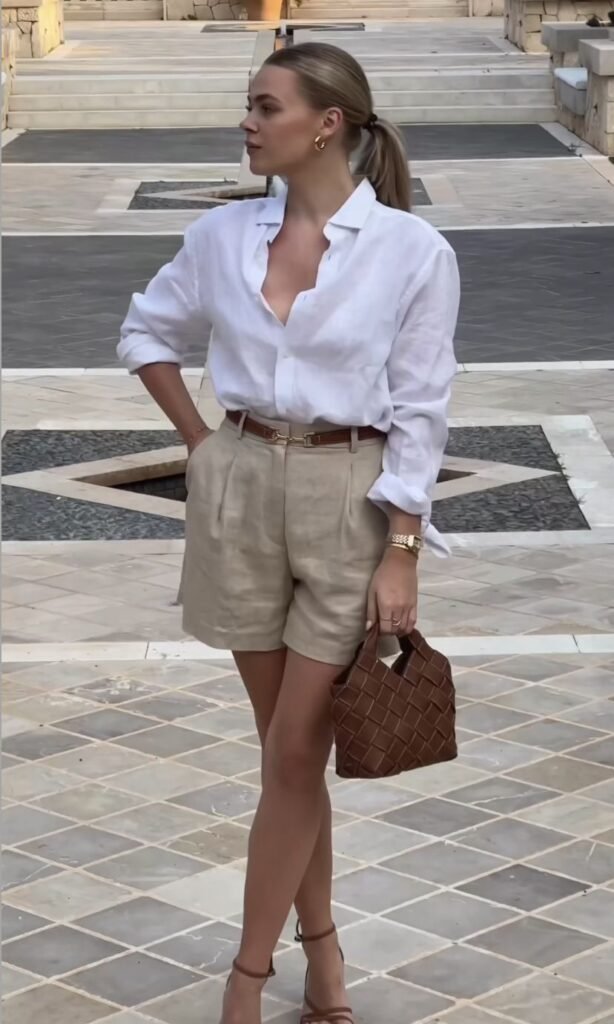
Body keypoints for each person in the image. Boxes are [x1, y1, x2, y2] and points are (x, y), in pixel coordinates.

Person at [118, 40, 459, 1024]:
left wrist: (402, 549)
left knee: (294, 748)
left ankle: (247, 980)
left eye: (266, 106)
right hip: (240, 488)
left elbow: (421, 410)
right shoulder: (222, 236)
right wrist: (202, 446)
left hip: (351, 496)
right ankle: (325, 953)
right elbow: (146, 331)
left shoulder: (411, 252)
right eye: (249, 104)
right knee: (287, 756)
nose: (247, 121)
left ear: (327, 124)